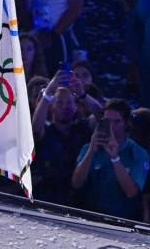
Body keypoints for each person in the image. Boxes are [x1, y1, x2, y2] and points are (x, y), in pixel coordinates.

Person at [72, 98, 150, 221]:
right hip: (93, 218)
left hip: (125, 222)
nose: (112, 126)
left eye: (117, 121)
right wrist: (91, 152)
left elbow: (131, 192)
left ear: (126, 123)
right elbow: (76, 183)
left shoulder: (140, 154)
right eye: (108, 121)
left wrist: (115, 158)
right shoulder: (89, 148)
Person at [31, 72, 102, 207]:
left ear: (75, 107)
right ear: (51, 107)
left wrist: (82, 93)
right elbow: (35, 128)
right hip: (47, 202)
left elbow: (101, 116)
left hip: (80, 203)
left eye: (69, 102)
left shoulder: (81, 128)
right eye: (60, 102)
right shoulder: (46, 132)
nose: (65, 107)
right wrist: (49, 92)